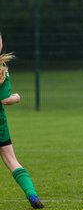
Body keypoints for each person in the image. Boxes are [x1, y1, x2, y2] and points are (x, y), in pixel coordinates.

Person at [0, 33, 44, 208]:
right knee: (11, 160)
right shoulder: (2, 69)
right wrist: (17, 97)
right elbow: (5, 100)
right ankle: (32, 195)